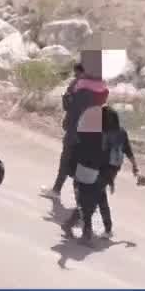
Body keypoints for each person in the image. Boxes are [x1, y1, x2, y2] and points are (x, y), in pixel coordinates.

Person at [60, 53, 111, 243]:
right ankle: (99, 227)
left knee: (83, 193)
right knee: (93, 193)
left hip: (85, 162)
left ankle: (86, 230)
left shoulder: (80, 91)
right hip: (98, 165)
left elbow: (70, 111)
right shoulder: (102, 97)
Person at [45, 63, 86, 197]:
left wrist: (67, 96)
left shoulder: (79, 87)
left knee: (67, 161)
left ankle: (57, 191)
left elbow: (70, 107)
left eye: (76, 74)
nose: (74, 77)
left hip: (75, 133)